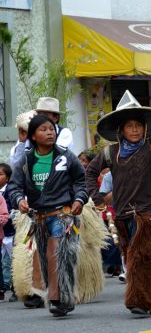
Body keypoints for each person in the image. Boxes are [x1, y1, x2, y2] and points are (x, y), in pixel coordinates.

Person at [86, 90, 151, 315]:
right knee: (136, 259)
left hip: (146, 216)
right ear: (121, 130)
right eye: (130, 126)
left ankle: (138, 301)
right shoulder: (110, 153)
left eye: (138, 125)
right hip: (121, 216)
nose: (135, 129)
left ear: (145, 128)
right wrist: (97, 198)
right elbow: (89, 172)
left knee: (137, 257)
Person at [8, 114, 88, 316]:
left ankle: (58, 298)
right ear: (33, 136)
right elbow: (14, 187)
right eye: (43, 130)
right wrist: (20, 200)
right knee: (46, 258)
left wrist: (79, 199)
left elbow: (80, 181)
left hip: (63, 215)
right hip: (39, 218)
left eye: (52, 129)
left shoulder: (66, 156)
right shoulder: (25, 160)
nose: (49, 132)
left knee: (59, 253)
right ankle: (63, 298)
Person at [0, 163, 17, 302]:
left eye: (0, 174)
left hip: (11, 231)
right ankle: (6, 284)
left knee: (15, 260)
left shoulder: (11, 191)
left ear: (8, 177)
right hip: (1, 234)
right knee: (4, 262)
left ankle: (17, 288)